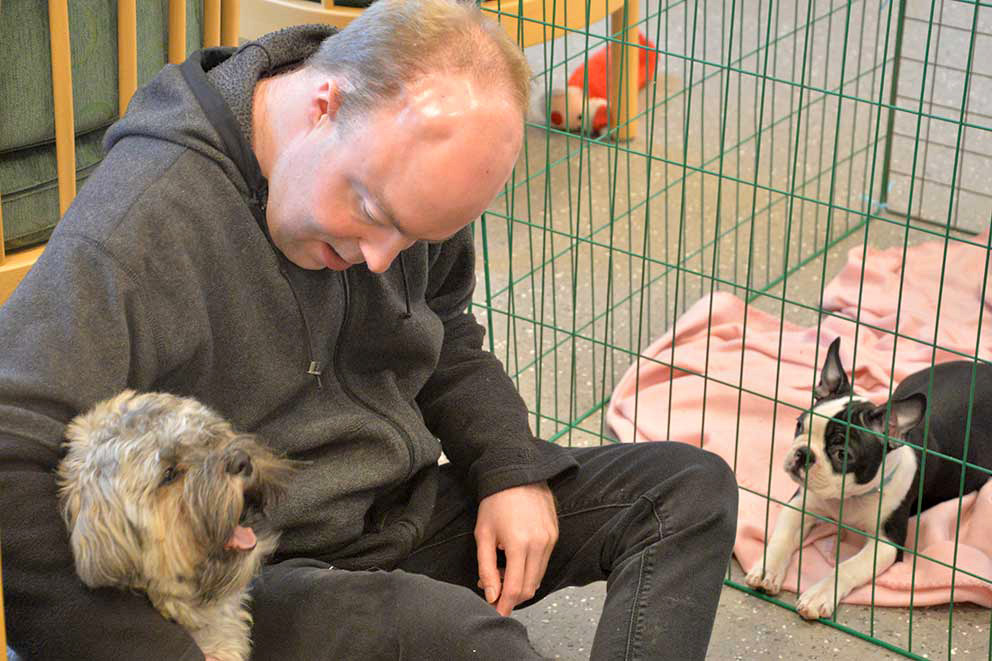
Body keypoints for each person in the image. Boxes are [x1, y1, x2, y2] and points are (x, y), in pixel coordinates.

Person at [0, 1, 738, 659]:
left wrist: (510, 467)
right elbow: (11, 451)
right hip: (258, 568)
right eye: (375, 213)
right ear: (325, 105)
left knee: (687, 489)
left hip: (398, 514)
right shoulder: (141, 220)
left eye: (415, 234)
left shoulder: (406, 176)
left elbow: (443, 327)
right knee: (458, 636)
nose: (383, 258)